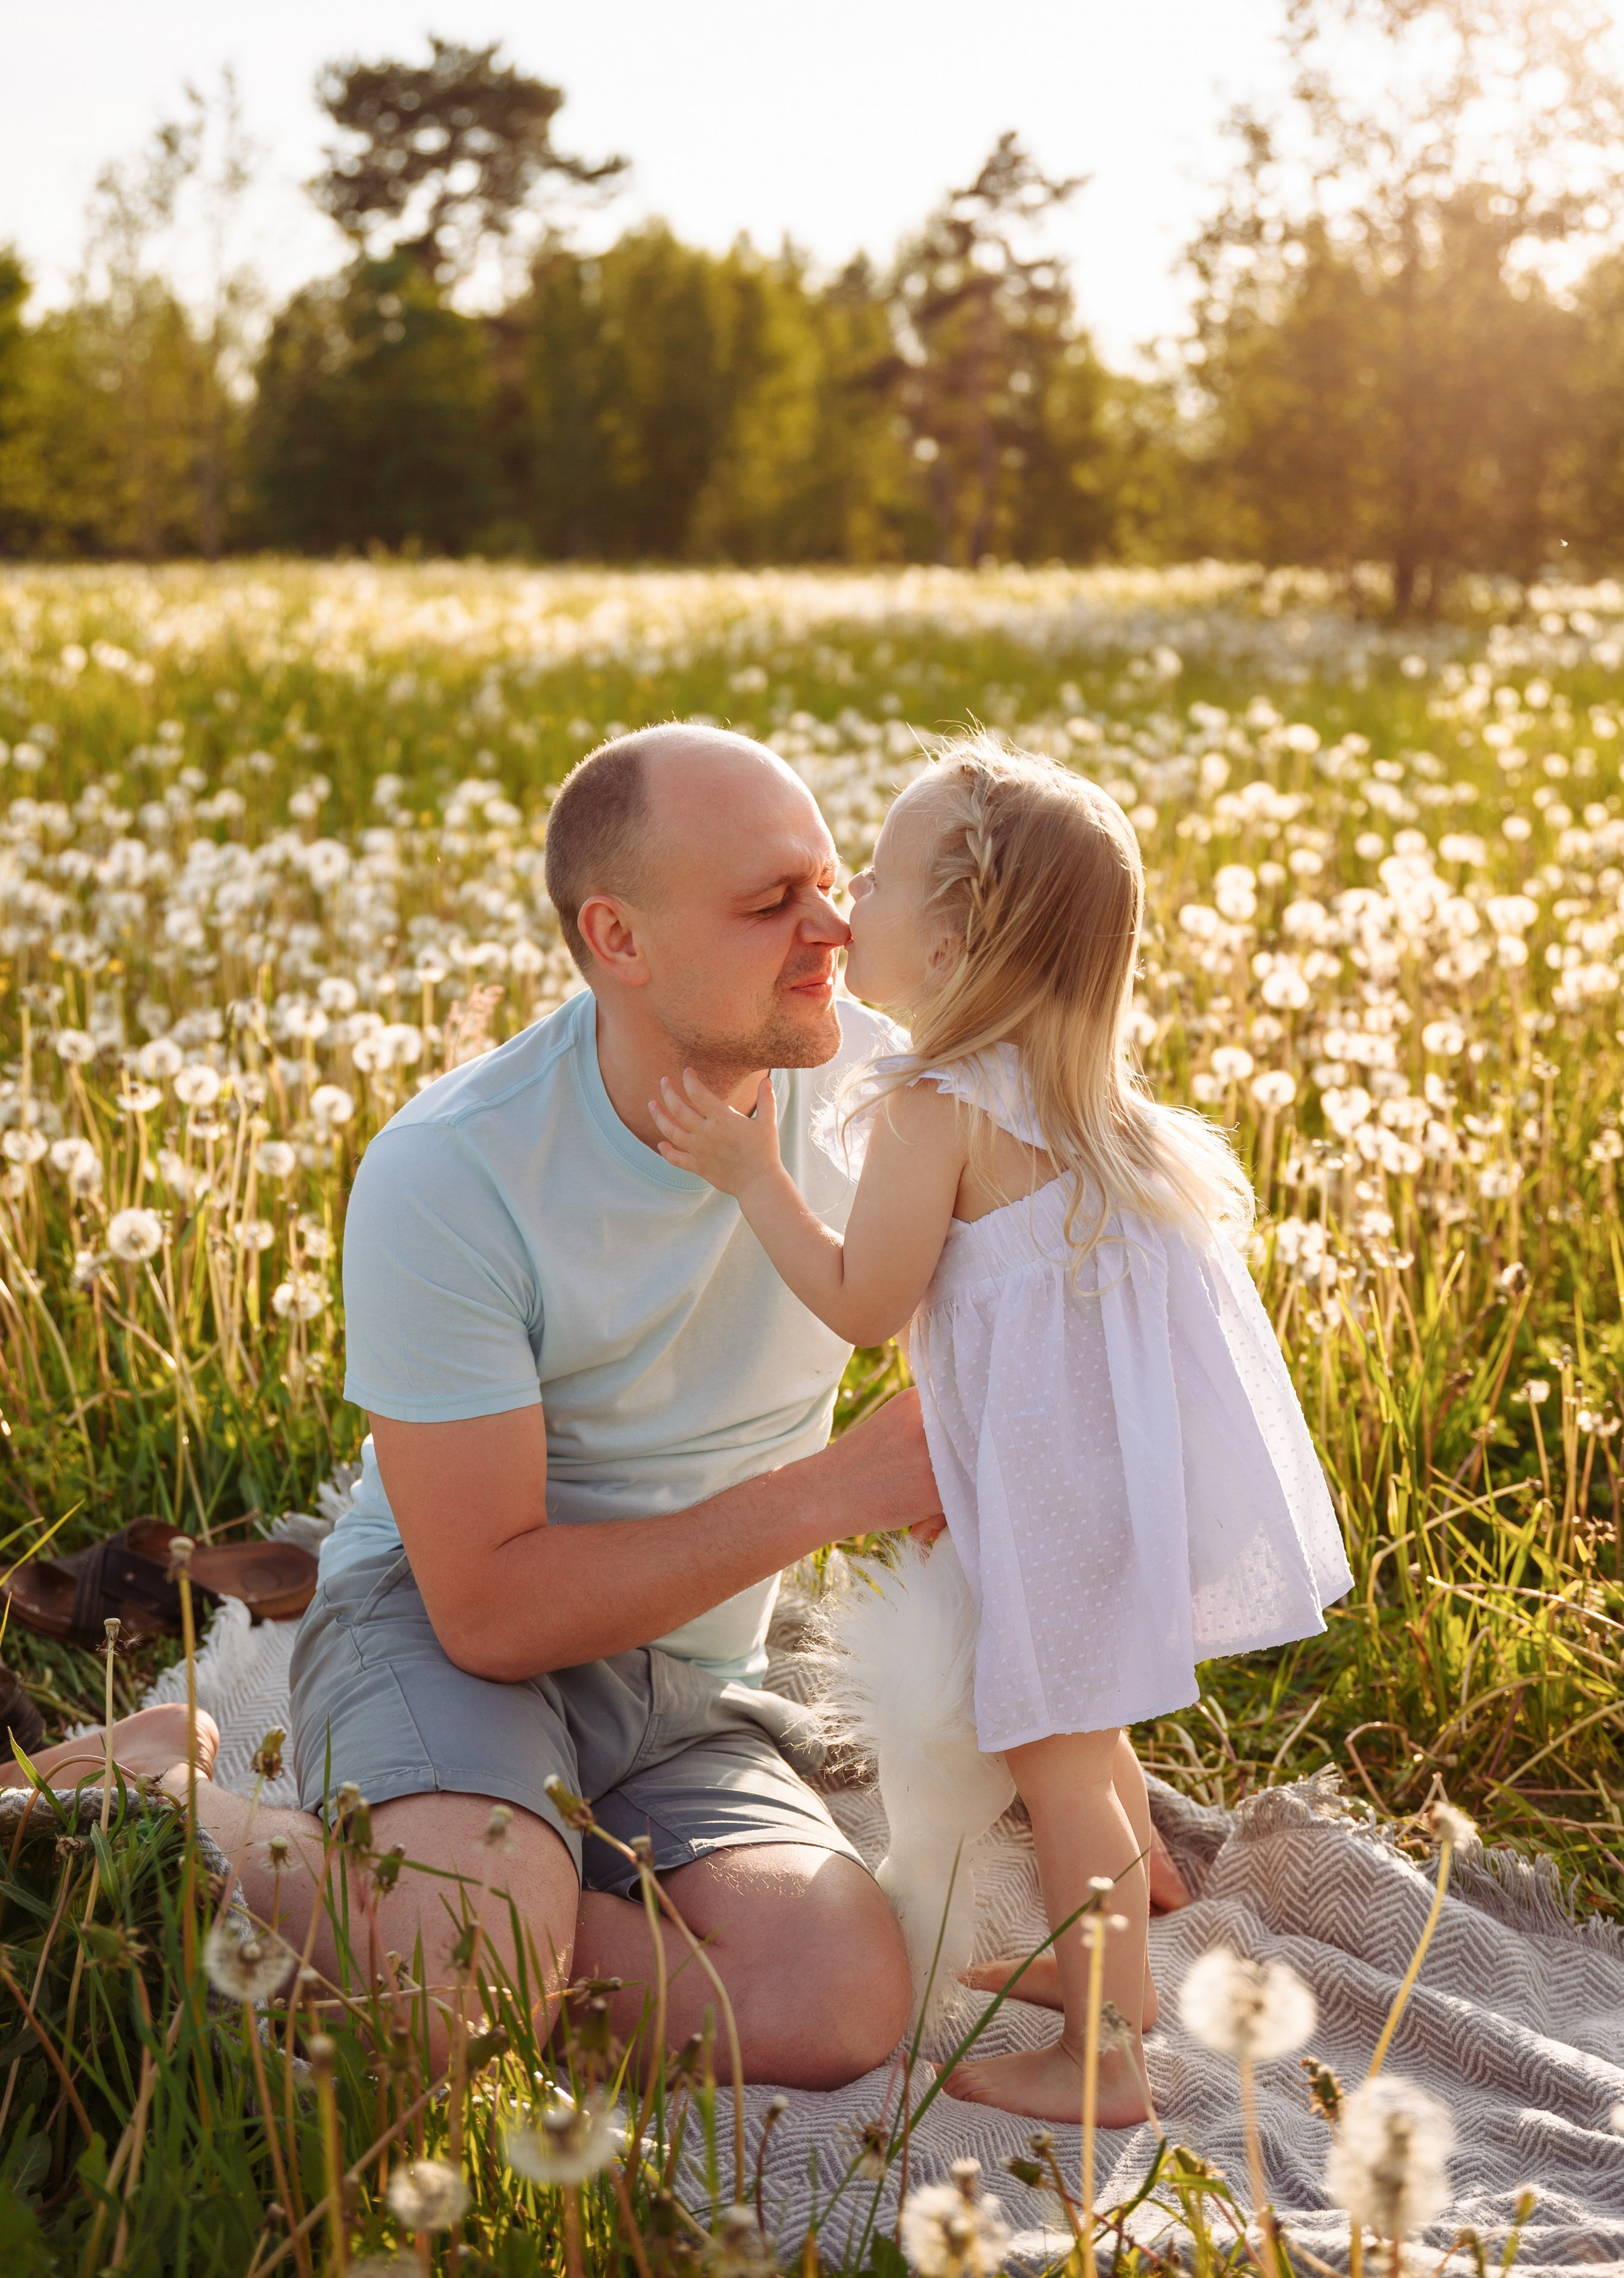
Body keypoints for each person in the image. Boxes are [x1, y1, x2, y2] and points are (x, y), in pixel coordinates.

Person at [6, 722, 1188, 2081]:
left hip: (688, 1670)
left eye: (828, 881)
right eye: (767, 905)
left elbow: (1014, 1378)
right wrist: (837, 1490)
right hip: (446, 1629)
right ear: (616, 939)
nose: (830, 928)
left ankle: (478, 1910)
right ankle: (159, 1792)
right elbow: (489, 1610)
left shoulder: (898, 1090)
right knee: (456, 1990)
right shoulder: (451, 1172)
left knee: (837, 2000)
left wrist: (1089, 1754)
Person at [652, 730, 1351, 2123]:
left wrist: (748, 1174)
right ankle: (1132, 1900)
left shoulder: (934, 1107)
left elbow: (865, 1305)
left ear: (960, 932)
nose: (844, 903)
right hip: (1099, 1493)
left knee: (1055, 1759)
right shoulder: (1085, 1108)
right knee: (1081, 1743)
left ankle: (1106, 2051)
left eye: (874, 875)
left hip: (1048, 1517)